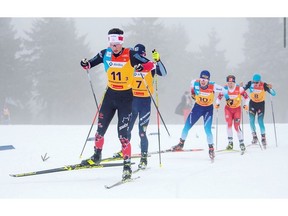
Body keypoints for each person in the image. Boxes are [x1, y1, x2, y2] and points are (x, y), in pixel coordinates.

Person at [79, 28, 154, 181]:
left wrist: (141, 67)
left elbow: (151, 65)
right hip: (110, 96)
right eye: (111, 44)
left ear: (121, 42)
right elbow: (90, 63)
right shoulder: (105, 53)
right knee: (100, 130)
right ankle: (96, 156)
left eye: (116, 44)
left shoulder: (130, 54)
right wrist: (85, 64)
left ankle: (127, 167)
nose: (114, 47)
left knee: (123, 136)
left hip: (126, 98)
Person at [124, 44, 167, 169]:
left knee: (142, 132)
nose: (139, 58)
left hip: (145, 103)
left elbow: (163, 73)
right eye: (137, 56)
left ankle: (143, 158)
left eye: (141, 55)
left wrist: (158, 60)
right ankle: (125, 152)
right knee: (127, 130)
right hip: (132, 101)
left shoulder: (150, 66)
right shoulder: (130, 65)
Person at [172, 70, 223, 160]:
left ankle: (211, 149)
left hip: (208, 109)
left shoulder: (213, 86)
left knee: (207, 129)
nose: (203, 81)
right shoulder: (194, 83)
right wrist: (193, 94)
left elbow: (225, 90)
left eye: (205, 79)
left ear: (208, 80)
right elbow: (192, 90)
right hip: (197, 108)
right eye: (202, 78)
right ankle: (181, 144)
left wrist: (219, 100)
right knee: (187, 126)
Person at [214, 75, 249, 153]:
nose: (230, 84)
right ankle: (230, 143)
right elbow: (218, 98)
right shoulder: (225, 89)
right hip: (228, 109)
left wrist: (246, 105)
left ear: (234, 82)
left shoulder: (239, 89)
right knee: (229, 125)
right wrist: (217, 104)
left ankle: (241, 143)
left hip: (237, 109)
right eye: (229, 83)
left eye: (231, 83)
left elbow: (247, 98)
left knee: (236, 127)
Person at [242, 73, 276, 149]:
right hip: (252, 104)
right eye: (254, 82)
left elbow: (273, 94)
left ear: (260, 81)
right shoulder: (250, 83)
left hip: (260, 104)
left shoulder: (264, 85)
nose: (255, 84)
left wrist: (271, 88)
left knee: (260, 121)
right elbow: (242, 90)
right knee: (251, 120)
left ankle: (263, 138)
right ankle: (254, 136)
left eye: (257, 82)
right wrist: (240, 87)